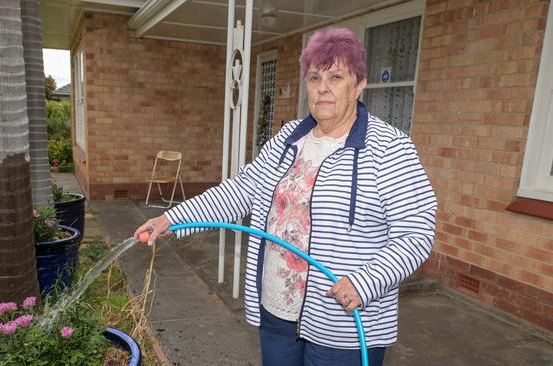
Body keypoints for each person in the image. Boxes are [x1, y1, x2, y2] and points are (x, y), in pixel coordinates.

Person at [134, 27, 437, 366]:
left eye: (336, 77)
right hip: (277, 308)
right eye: (314, 77)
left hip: (343, 324)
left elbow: (416, 235)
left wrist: (365, 282)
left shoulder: (390, 150)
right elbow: (240, 190)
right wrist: (171, 219)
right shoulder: (288, 140)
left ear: (359, 84)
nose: (322, 88)